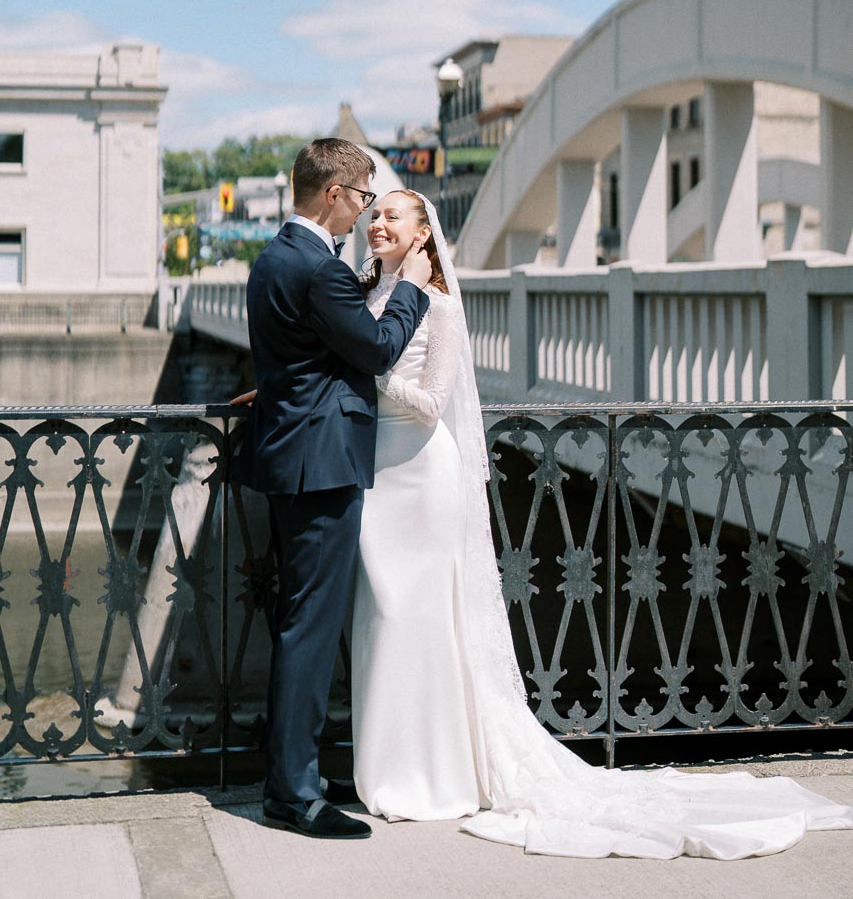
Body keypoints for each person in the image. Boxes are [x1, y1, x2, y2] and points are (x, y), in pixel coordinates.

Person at [351, 188, 853, 858]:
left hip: (423, 474)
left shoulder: (437, 308)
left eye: (392, 216)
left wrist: (367, 371)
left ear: (421, 236)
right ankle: (388, 766)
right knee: (384, 619)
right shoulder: (361, 299)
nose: (377, 223)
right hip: (378, 483)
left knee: (427, 621)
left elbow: (432, 402)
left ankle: (437, 776)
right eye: (373, 214)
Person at [231, 141, 432, 841]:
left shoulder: (271, 259)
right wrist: (410, 287)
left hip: (292, 456)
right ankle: (294, 792)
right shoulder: (321, 269)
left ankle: (295, 774)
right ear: (337, 194)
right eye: (364, 198)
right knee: (311, 628)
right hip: (322, 466)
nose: (366, 212)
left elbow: (295, 355)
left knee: (300, 621)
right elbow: (376, 350)